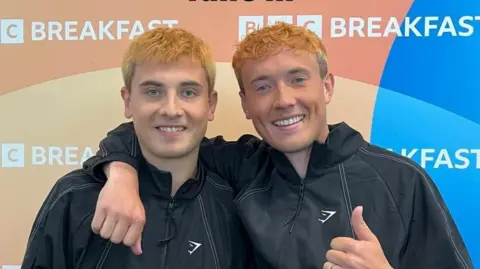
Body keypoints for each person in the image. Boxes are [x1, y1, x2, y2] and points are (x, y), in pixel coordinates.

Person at [82, 23, 473, 269]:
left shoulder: (401, 180)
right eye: (263, 87)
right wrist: (120, 172)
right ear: (246, 103)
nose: (283, 100)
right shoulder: (236, 167)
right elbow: (159, 130)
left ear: (328, 85)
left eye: (298, 79)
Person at [20, 27, 254, 269]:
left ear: (210, 104)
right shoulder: (74, 198)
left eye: (188, 92)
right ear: (128, 101)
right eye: (153, 92)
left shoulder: (235, 207)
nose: (171, 110)